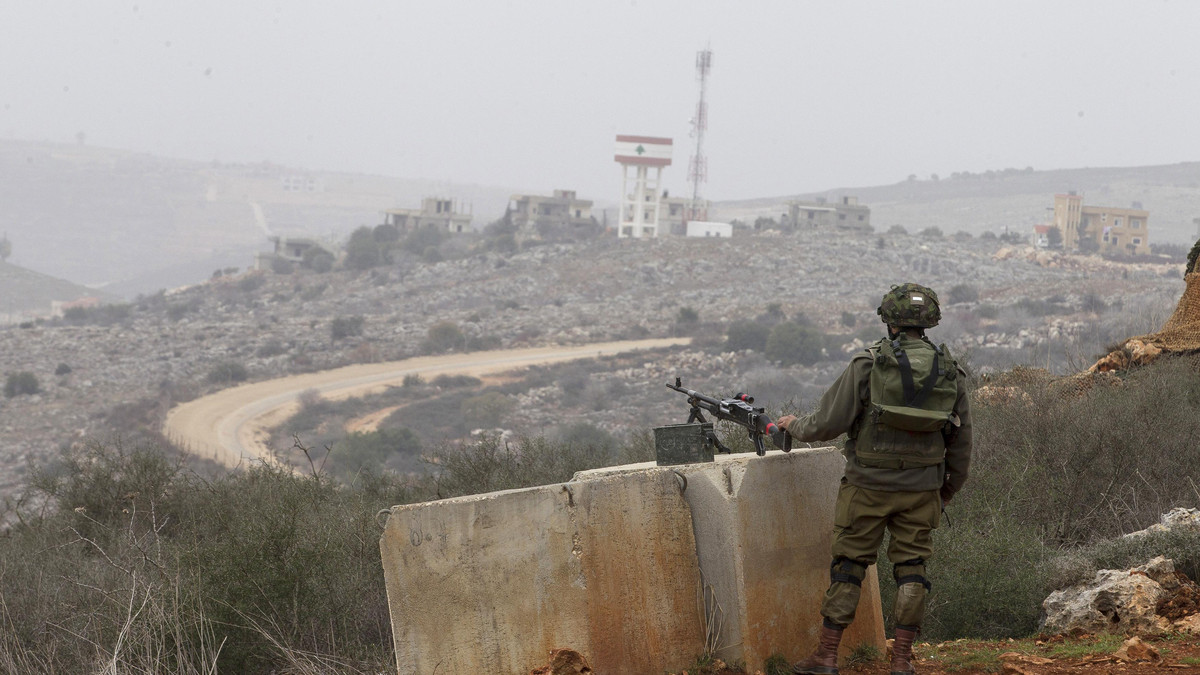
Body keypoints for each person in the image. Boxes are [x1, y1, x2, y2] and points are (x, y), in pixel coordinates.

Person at [775, 283, 972, 675]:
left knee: (849, 565)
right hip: (922, 491)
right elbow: (962, 445)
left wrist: (793, 425)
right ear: (929, 322)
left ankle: (827, 657)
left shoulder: (868, 365)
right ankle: (901, 661)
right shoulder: (950, 371)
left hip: (866, 487)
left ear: (890, 321)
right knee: (912, 568)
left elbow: (828, 423)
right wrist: (945, 491)